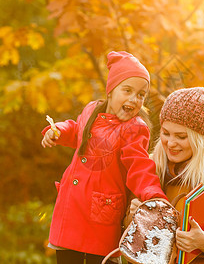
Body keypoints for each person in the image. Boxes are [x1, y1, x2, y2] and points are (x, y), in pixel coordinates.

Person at [41, 51, 168, 264]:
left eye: (140, 94)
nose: (133, 99)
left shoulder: (134, 128)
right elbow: (77, 130)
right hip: (71, 210)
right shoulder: (92, 110)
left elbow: (139, 166)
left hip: (101, 218)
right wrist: (59, 131)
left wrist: (152, 194)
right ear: (110, 91)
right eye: (127, 90)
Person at [126, 87, 204, 263]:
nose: (171, 143)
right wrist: (134, 216)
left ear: (198, 138)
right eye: (165, 133)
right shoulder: (149, 170)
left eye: (181, 136)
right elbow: (128, 237)